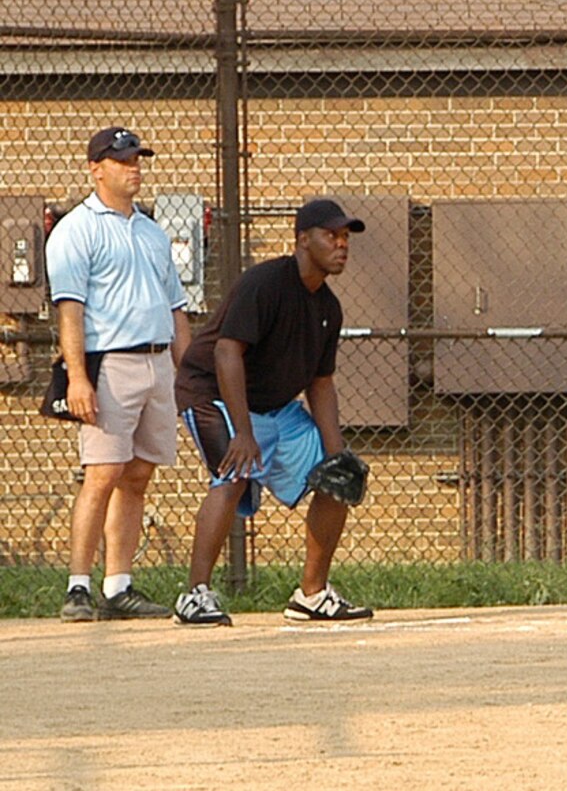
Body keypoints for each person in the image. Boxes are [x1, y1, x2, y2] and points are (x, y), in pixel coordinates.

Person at [171, 199, 374, 626]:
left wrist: (337, 454)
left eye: (345, 238)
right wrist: (243, 432)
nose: (341, 245)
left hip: (275, 406)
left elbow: (321, 383)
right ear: (302, 240)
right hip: (213, 393)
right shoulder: (264, 283)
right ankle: (195, 595)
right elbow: (228, 353)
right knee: (233, 472)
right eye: (330, 236)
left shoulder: (328, 308)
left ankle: (312, 595)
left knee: (335, 478)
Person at [44, 126, 192, 622]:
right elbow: (71, 310)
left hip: (156, 361)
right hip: (110, 363)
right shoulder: (76, 230)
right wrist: (78, 377)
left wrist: (187, 375)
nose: (135, 168)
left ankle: (118, 584)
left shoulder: (151, 231)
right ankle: (78, 586)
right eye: (123, 160)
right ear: (96, 168)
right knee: (102, 472)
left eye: (137, 159)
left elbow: (176, 308)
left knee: (138, 474)